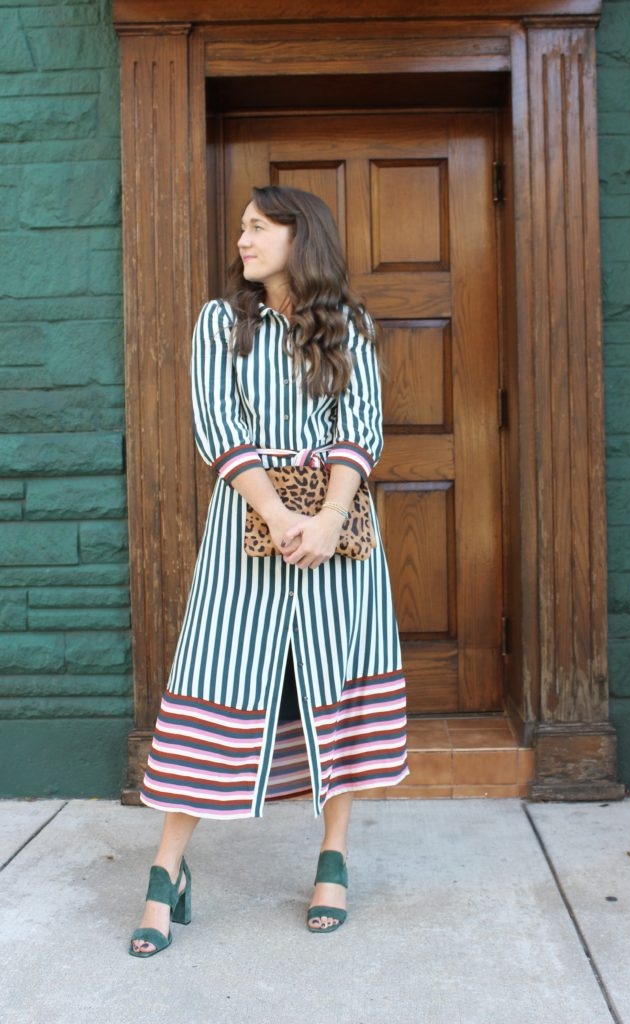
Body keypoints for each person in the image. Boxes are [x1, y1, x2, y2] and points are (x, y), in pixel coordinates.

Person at [129, 185, 409, 957]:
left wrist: (322, 519)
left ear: (299, 236)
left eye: (258, 228)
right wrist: (277, 515)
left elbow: (361, 428)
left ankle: (333, 858)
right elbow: (216, 426)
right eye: (242, 230)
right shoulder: (221, 323)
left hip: (338, 533)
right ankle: (166, 870)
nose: (243, 241)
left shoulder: (348, 324)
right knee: (218, 672)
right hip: (246, 528)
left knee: (336, 682)